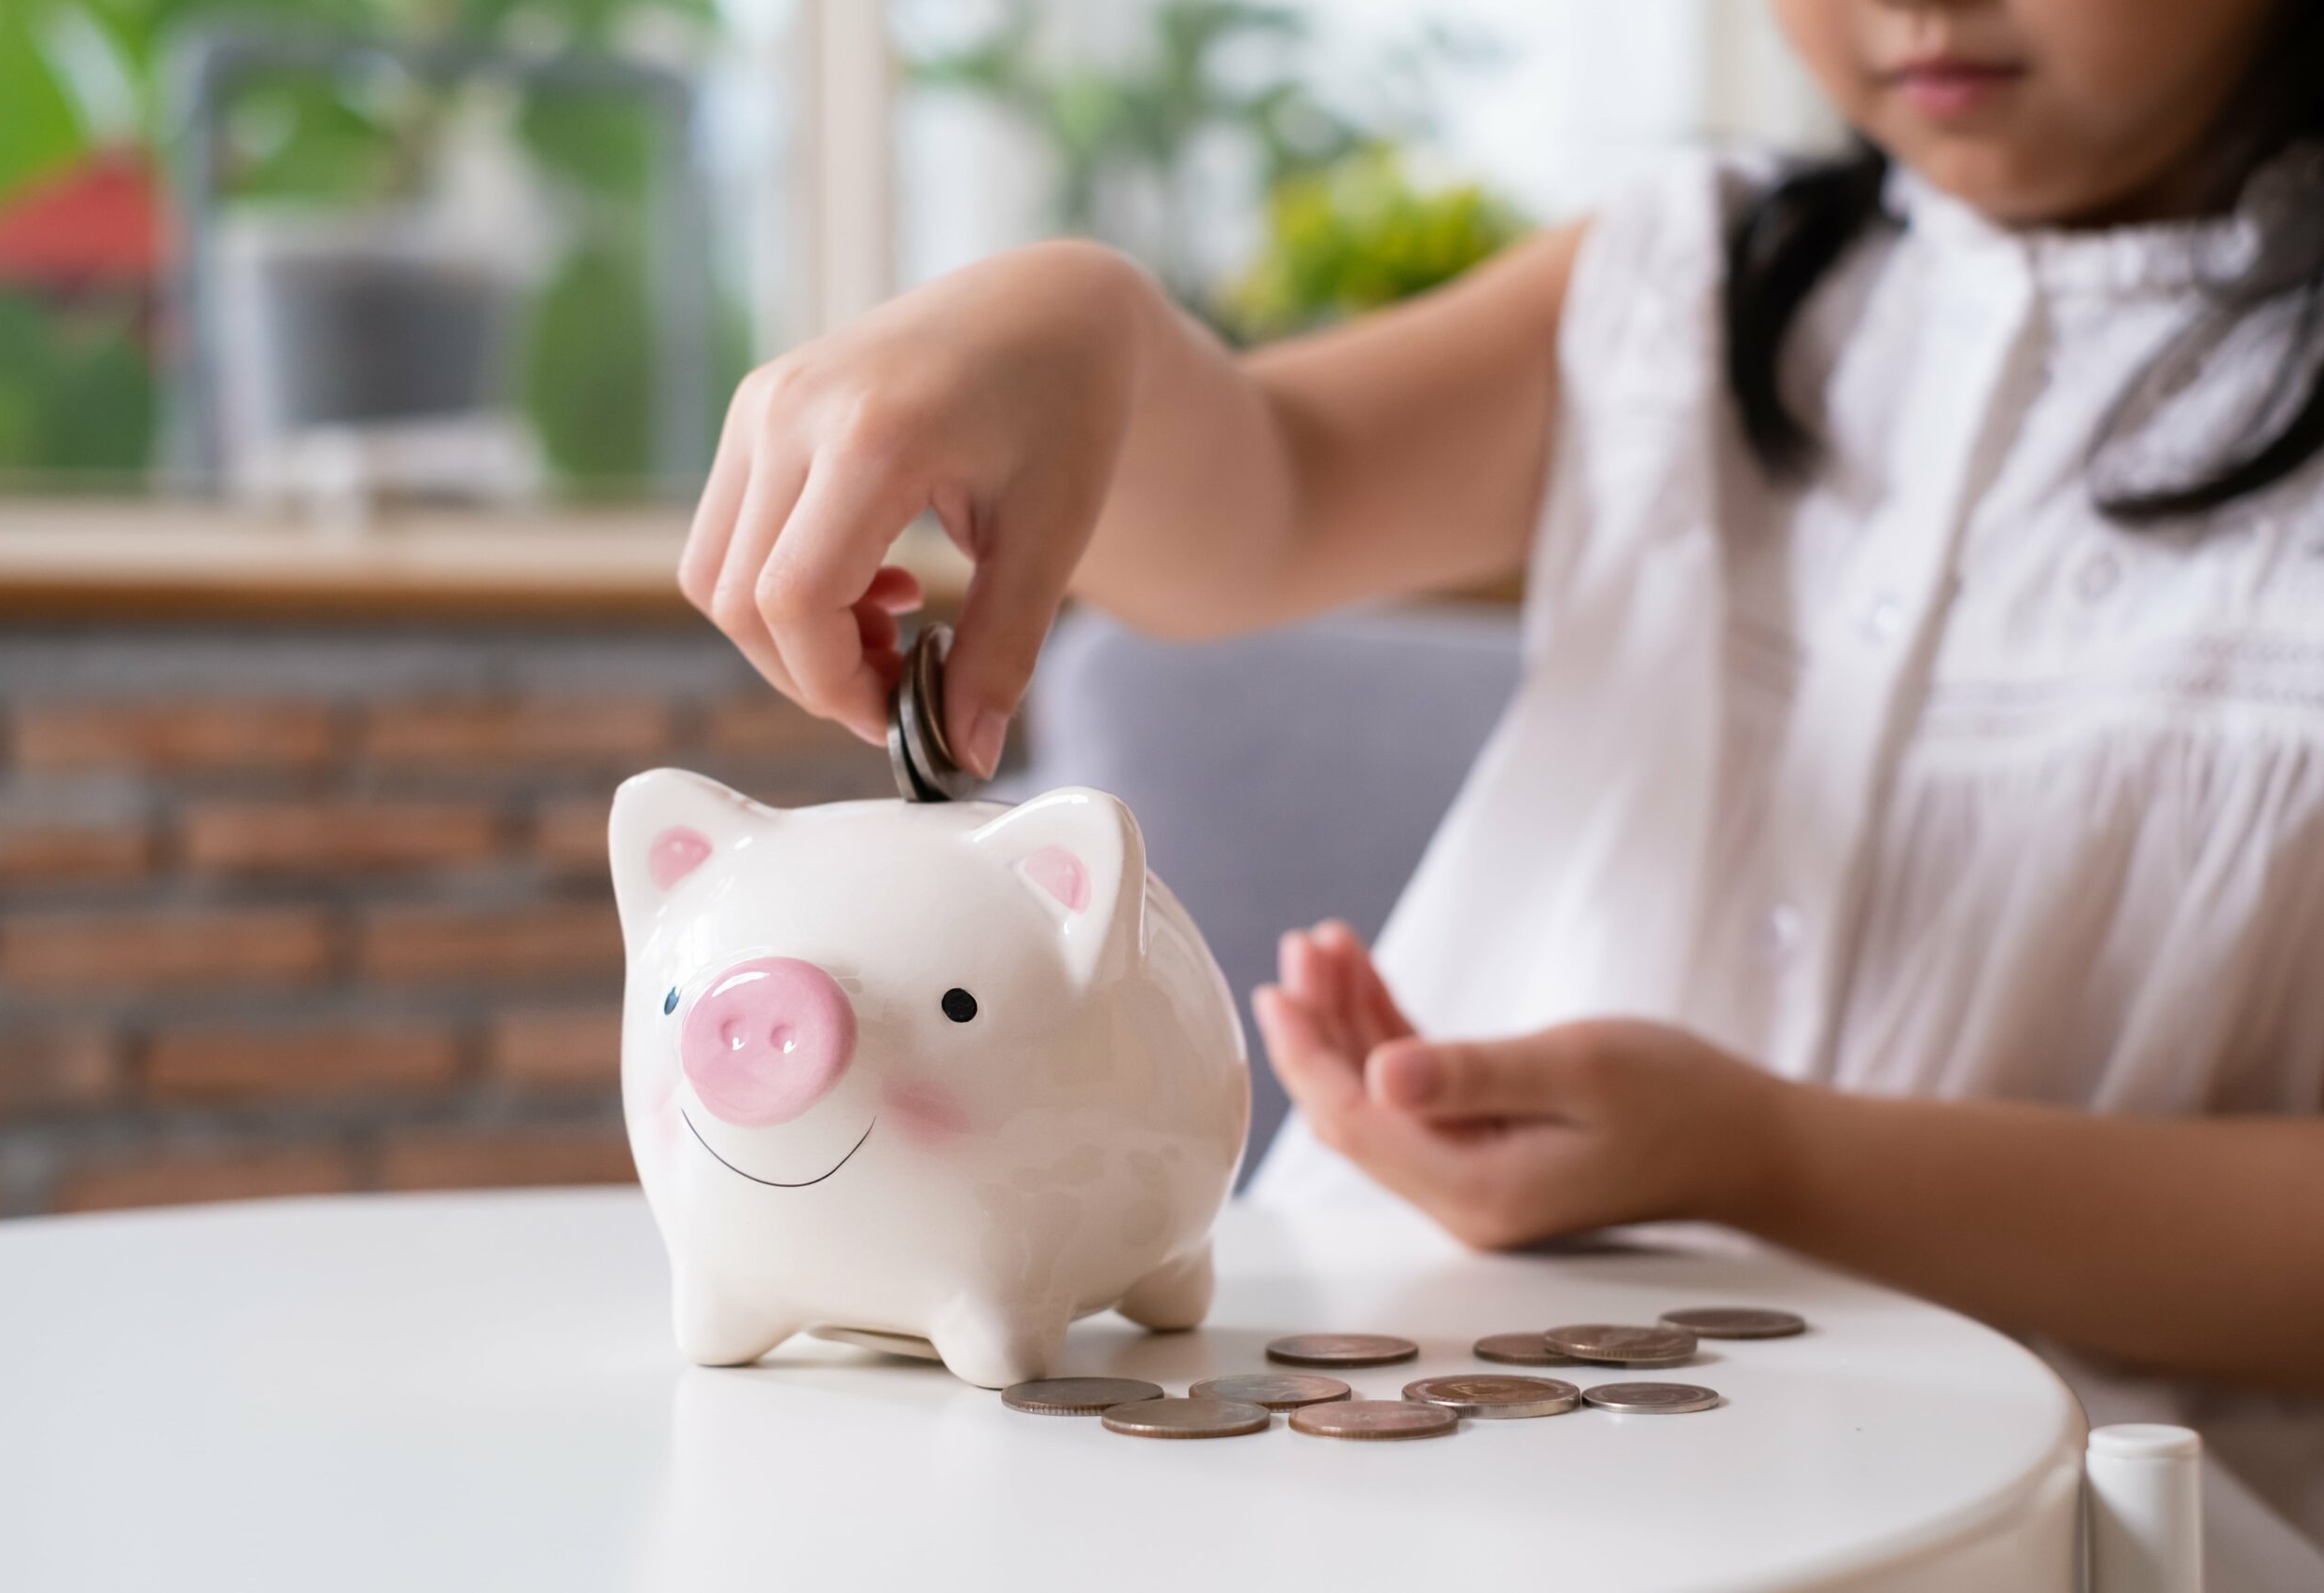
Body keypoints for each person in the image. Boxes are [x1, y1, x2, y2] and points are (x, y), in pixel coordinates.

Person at [676, 0, 2324, 1537]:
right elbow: (1267, 497)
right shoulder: (1695, 280)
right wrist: (1085, 329)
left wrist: (1761, 1159)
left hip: (2060, 1520)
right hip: (1394, 1441)